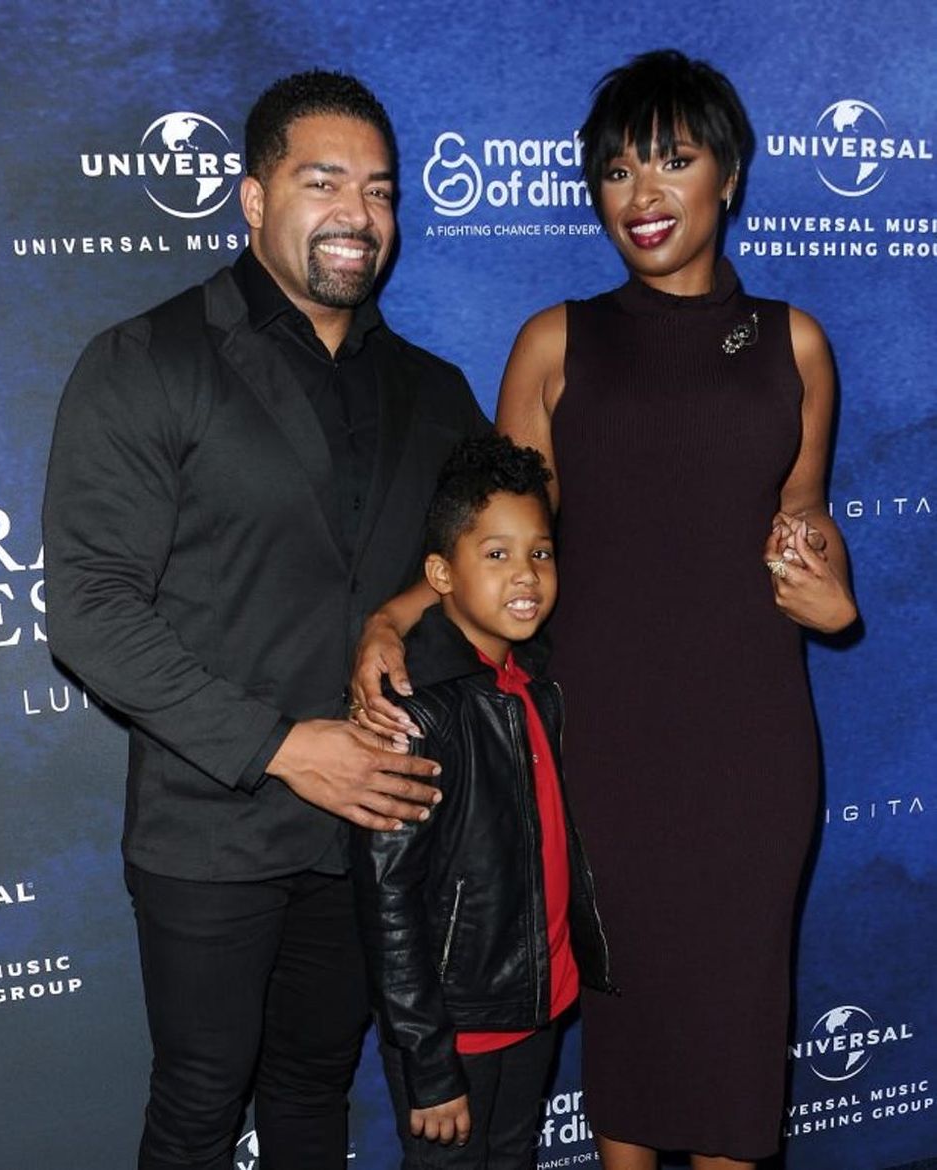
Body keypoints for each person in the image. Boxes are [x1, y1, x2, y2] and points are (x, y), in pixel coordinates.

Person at [351, 49, 857, 1170]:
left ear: (728, 175)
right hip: (596, 744)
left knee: (730, 1027)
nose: (640, 194)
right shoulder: (554, 340)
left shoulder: (795, 345)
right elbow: (495, 544)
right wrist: (392, 619)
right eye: (617, 170)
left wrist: (830, 595)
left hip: (748, 747)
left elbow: (804, 524)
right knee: (625, 1027)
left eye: (672, 162)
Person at [42, 70, 488, 1170]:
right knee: (198, 1107)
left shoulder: (432, 390)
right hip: (210, 825)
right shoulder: (148, 361)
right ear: (250, 200)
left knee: (312, 1095)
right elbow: (90, 609)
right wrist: (286, 748)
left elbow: (485, 560)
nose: (358, 214)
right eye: (322, 180)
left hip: (373, 829)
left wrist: (394, 617)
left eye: (380, 190)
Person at [351, 435, 614, 1170]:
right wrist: (428, 1063)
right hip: (455, 1031)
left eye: (541, 553)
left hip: (535, 1003)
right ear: (440, 573)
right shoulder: (412, 716)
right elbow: (387, 900)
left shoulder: (536, 682)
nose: (525, 575)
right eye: (495, 555)